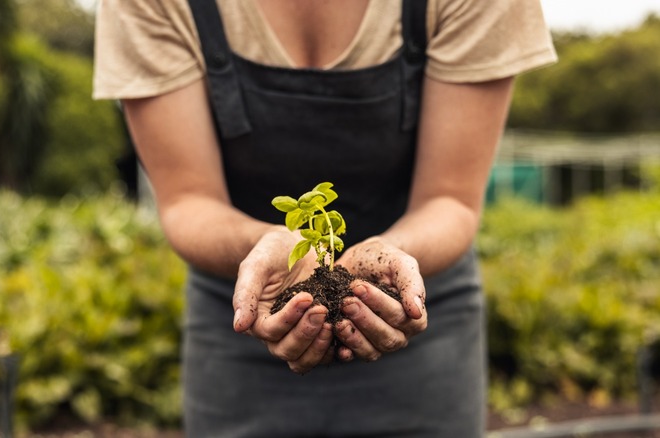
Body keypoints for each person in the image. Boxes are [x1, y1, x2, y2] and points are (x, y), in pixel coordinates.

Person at [93, 0, 557, 436]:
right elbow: (187, 201)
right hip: (246, 312)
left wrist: (392, 257)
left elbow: (451, 199)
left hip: (418, 311)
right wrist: (267, 245)